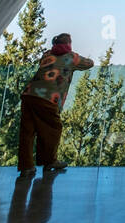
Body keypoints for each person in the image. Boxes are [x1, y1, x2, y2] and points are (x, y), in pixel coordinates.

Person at [17, 33, 94, 177]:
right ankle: (50, 161)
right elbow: (90, 63)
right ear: (69, 44)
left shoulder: (47, 54)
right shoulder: (72, 57)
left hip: (29, 95)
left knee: (27, 132)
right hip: (49, 98)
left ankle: (26, 167)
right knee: (54, 129)